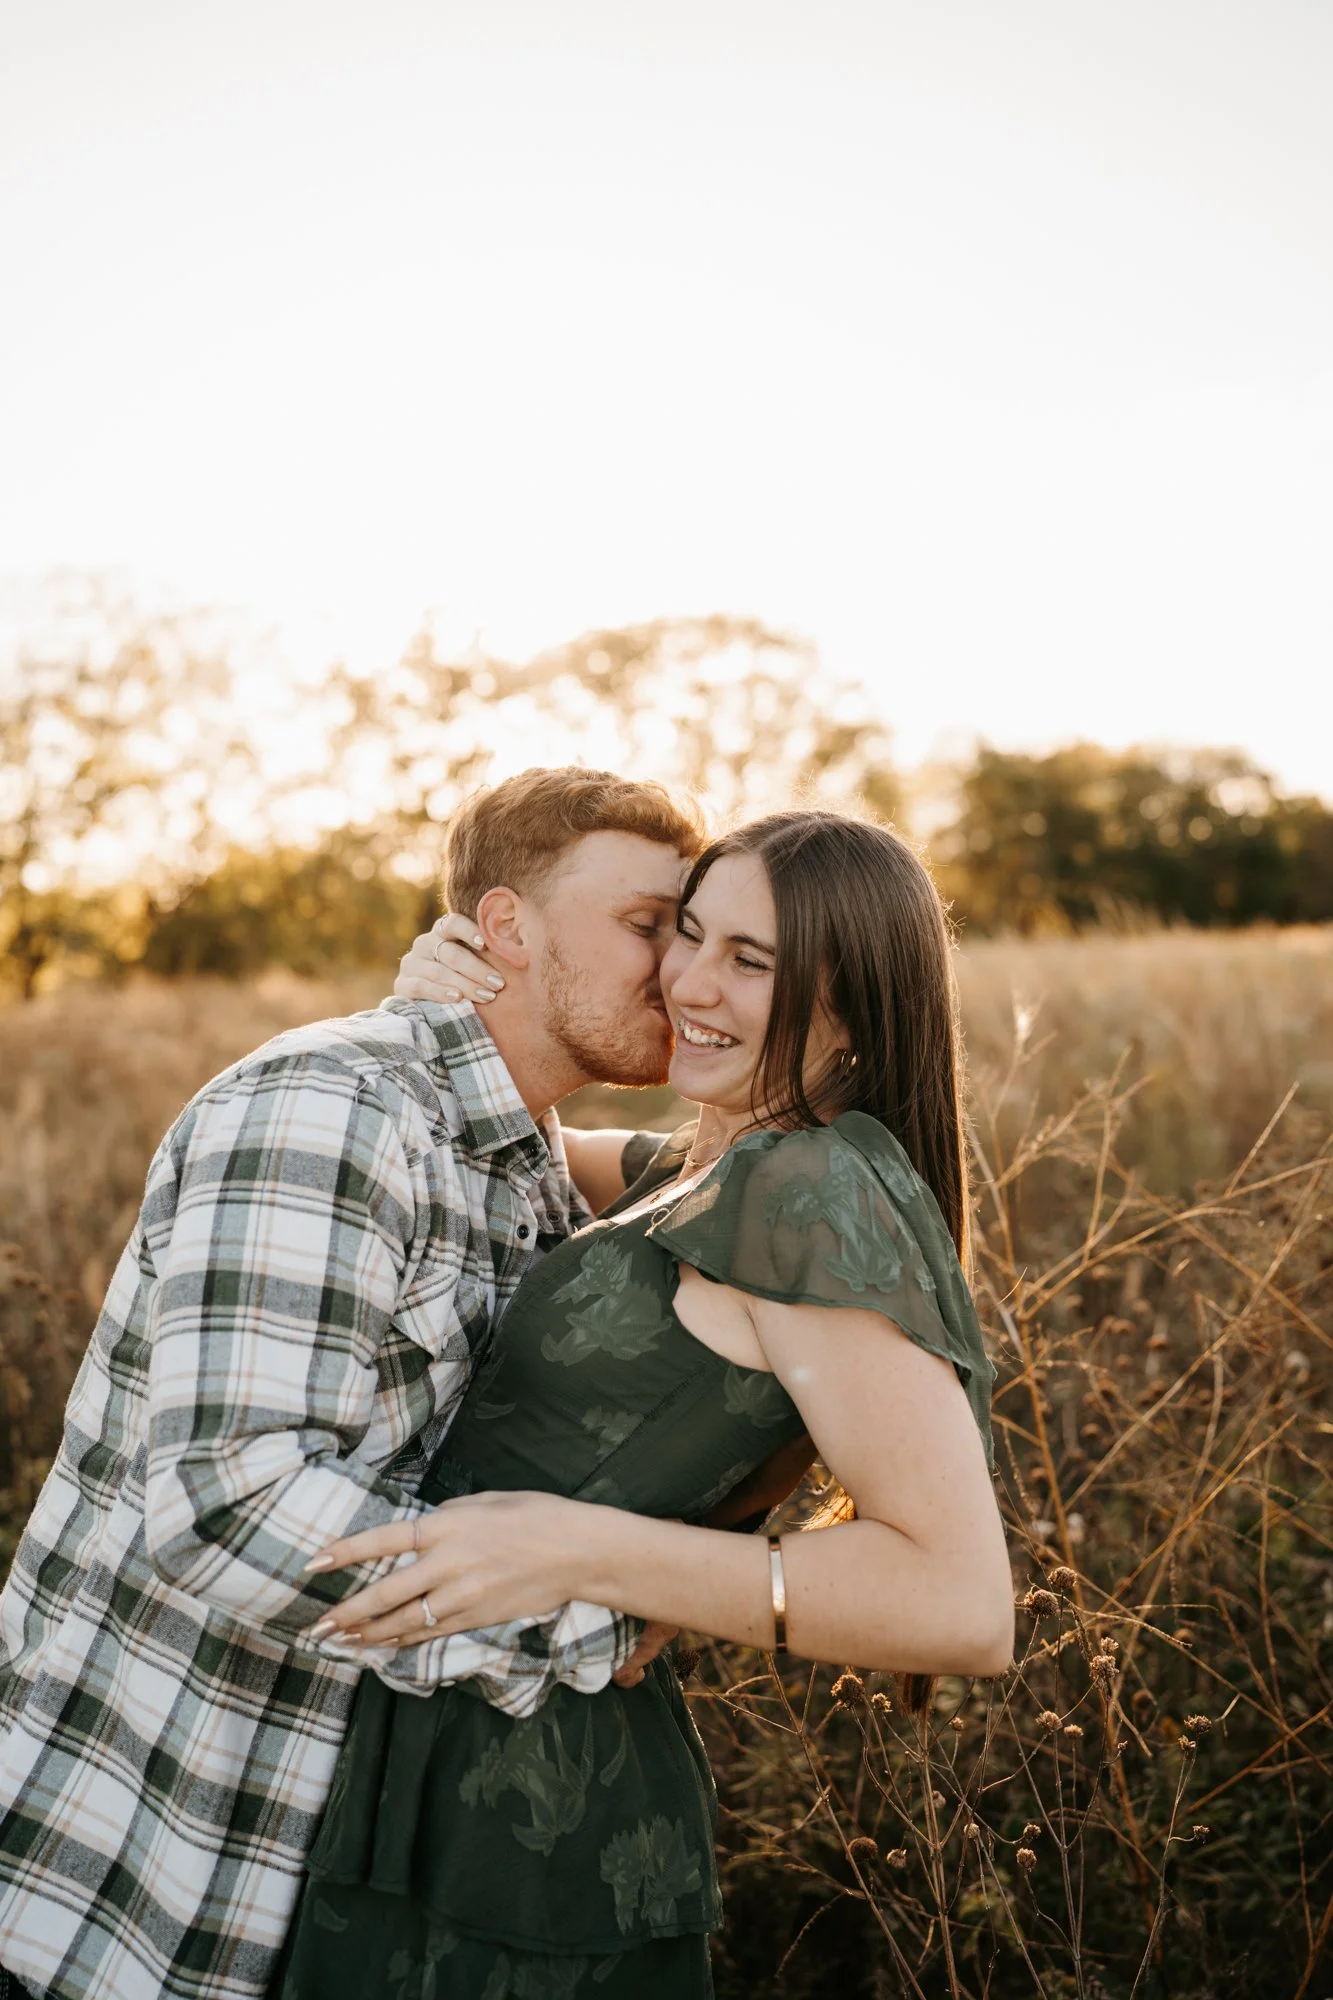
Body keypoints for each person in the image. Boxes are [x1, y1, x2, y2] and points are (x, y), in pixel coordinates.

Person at [270, 809, 1013, 2000]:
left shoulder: (812, 1194)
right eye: (685, 933)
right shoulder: (715, 1161)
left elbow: (962, 1604)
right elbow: (516, 1128)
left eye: (749, 960)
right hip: (438, 1737)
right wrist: (449, 997)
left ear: (852, 1003)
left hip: (540, 1803)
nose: (688, 980)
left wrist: (587, 1549)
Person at [0, 768, 708, 2000]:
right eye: (650, 926)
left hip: (324, 1888)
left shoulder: (535, 1156)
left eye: (696, 936)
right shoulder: (334, 1106)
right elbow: (231, 1510)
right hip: (131, 1890)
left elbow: (770, 1166)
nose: (684, 970)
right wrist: (593, 1611)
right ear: (504, 929)